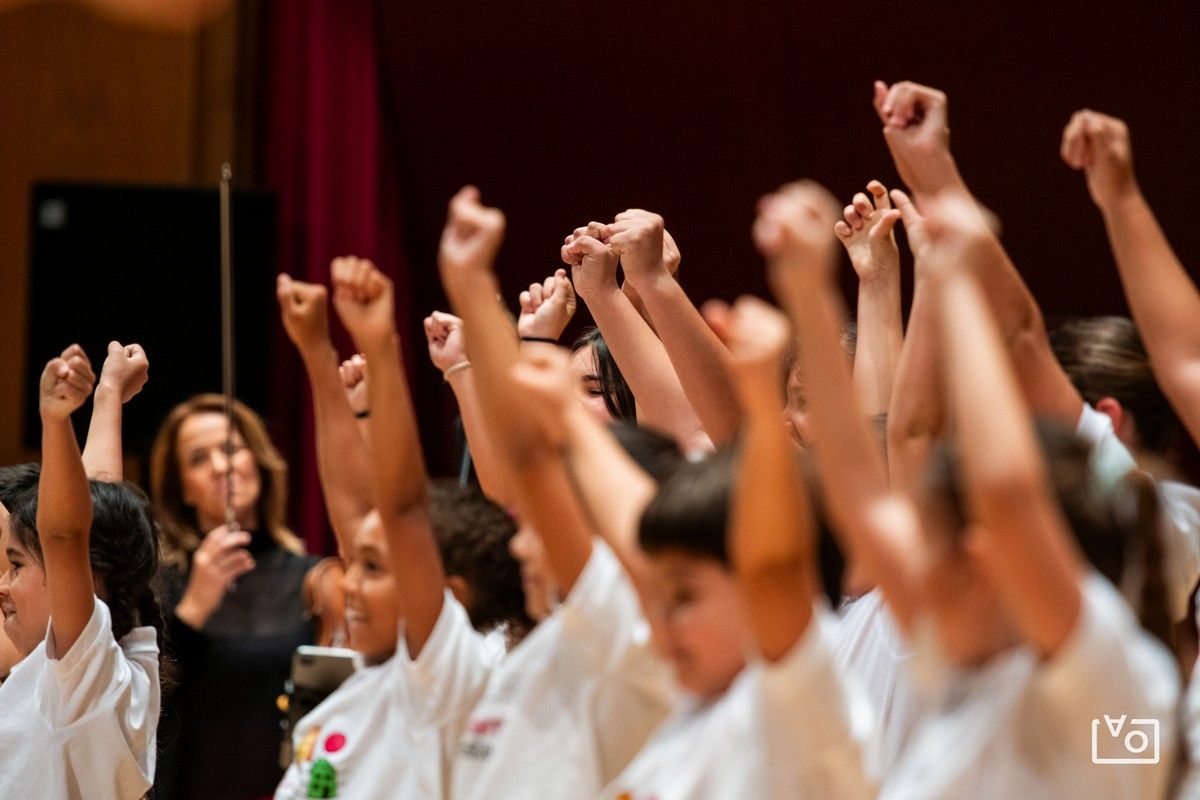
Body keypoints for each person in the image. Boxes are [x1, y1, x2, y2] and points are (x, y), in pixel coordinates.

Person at [0, 346, 163, 799]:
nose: (3, 586)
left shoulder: (90, 680)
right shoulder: (89, 668)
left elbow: (69, 533)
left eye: (15, 565)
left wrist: (56, 420)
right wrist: (108, 395)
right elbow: (93, 509)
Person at [150, 393, 317, 800]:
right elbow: (136, 700)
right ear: (183, 490)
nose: (220, 466)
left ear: (257, 460)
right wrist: (193, 609)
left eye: (230, 449)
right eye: (198, 459)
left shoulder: (310, 578)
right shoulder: (157, 583)